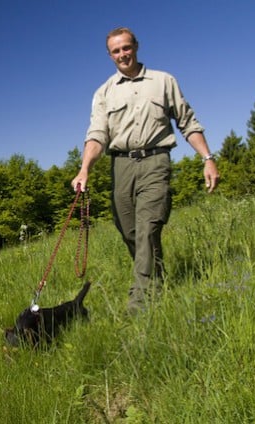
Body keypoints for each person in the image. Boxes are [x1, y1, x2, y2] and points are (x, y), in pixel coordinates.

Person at [71, 27, 220, 314]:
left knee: (148, 229)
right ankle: (156, 281)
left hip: (156, 161)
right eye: (116, 51)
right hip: (121, 166)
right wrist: (84, 170)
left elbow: (187, 122)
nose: (122, 54)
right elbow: (97, 134)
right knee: (130, 232)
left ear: (136, 47)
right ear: (109, 55)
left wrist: (208, 158)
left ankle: (138, 306)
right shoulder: (103, 92)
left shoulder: (163, 81)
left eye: (126, 48)